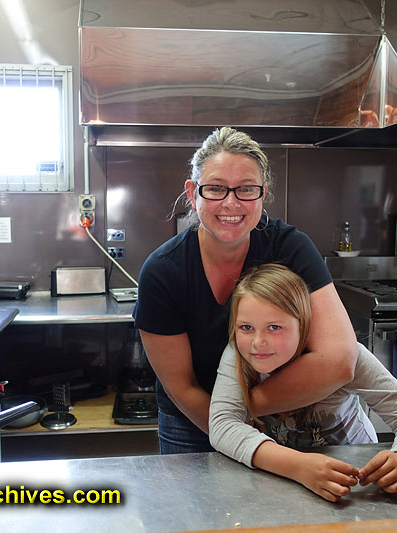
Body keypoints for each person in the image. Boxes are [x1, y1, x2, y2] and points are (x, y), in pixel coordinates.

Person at [134, 127, 358, 454]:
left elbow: (339, 360)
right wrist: (232, 429)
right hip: (192, 420)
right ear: (192, 193)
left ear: (263, 193)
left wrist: (245, 414)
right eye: (215, 189)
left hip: (283, 417)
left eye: (246, 189)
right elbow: (181, 386)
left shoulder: (291, 248)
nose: (231, 202)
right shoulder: (163, 271)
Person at [209, 264, 397, 502]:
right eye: (246, 327)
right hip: (286, 481)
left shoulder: (346, 357)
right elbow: (223, 424)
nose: (258, 342)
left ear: (304, 324)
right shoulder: (238, 355)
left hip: (358, 484)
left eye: (275, 327)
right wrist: (299, 467)